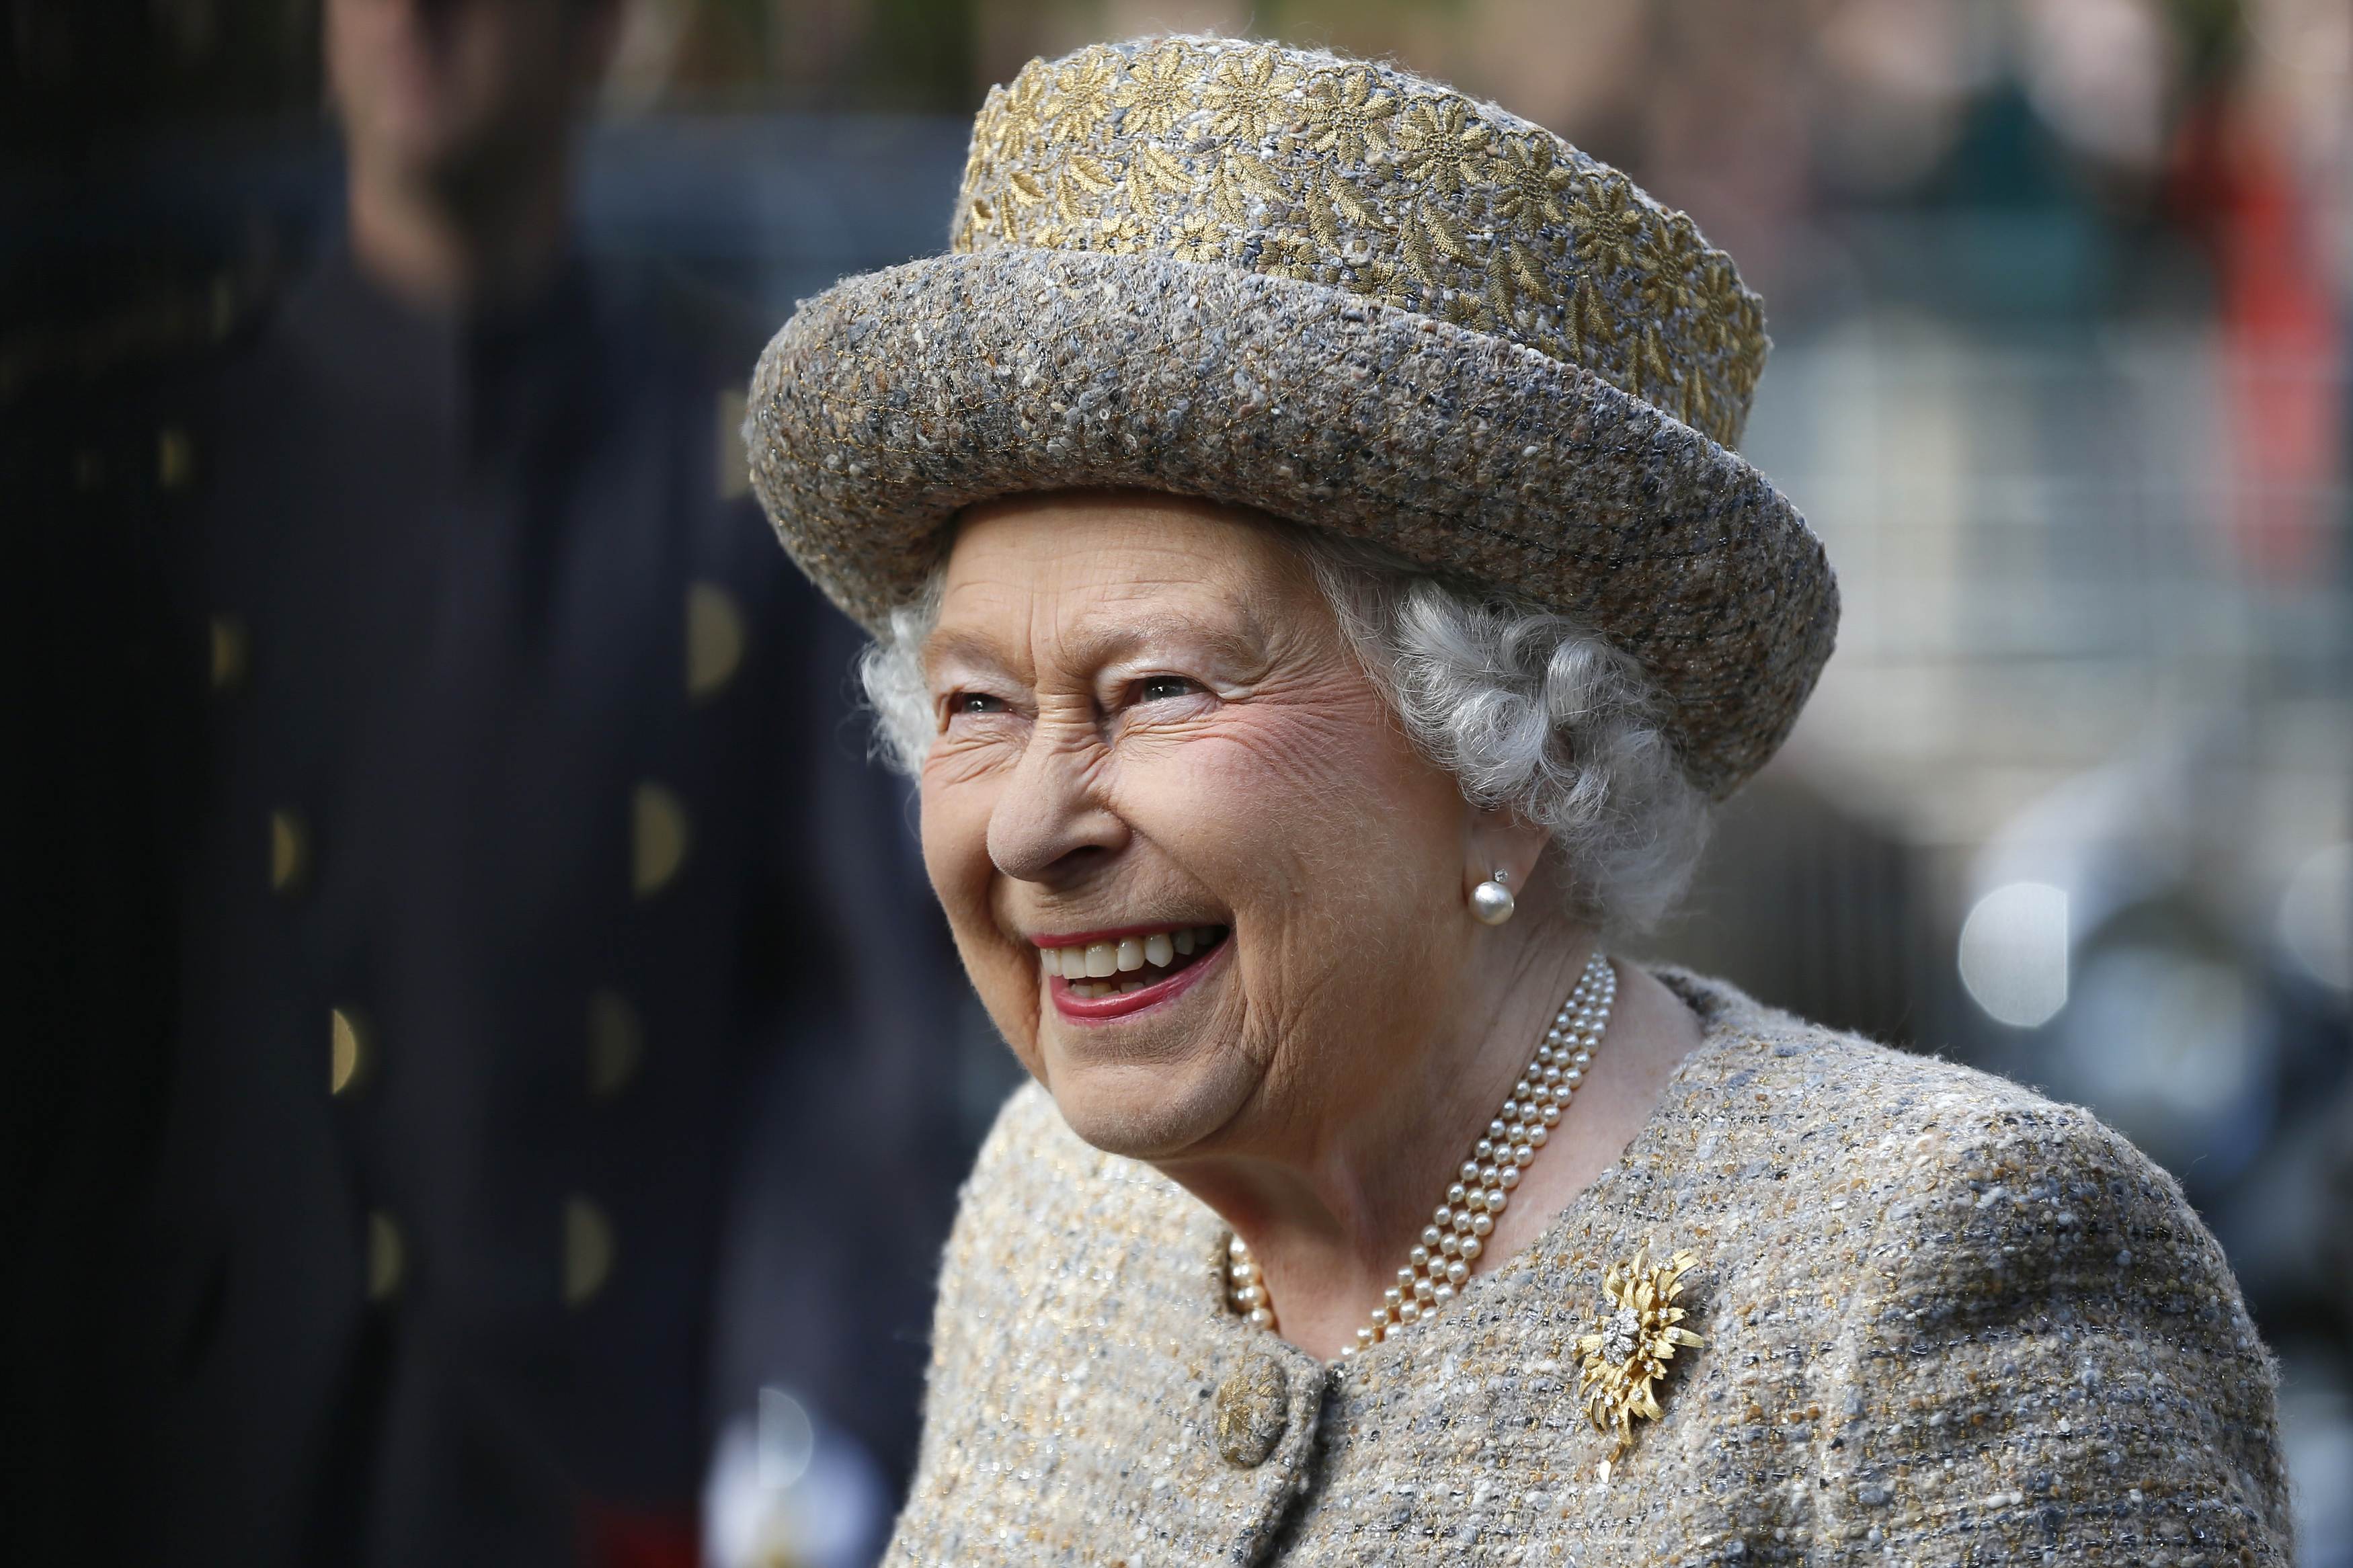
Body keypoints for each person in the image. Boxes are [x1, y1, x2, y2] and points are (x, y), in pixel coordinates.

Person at [739, 36, 2295, 1563]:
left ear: (1510, 764)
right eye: (976, 708)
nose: (1026, 826)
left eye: (1155, 690)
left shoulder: (1933, 1289)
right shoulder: (1051, 1216)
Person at [11, 0, 961, 1563]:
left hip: (616, 1476)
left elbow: (854, 1034)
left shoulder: (738, 495)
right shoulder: (120, 491)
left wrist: (803, 1425)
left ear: (597, 30)